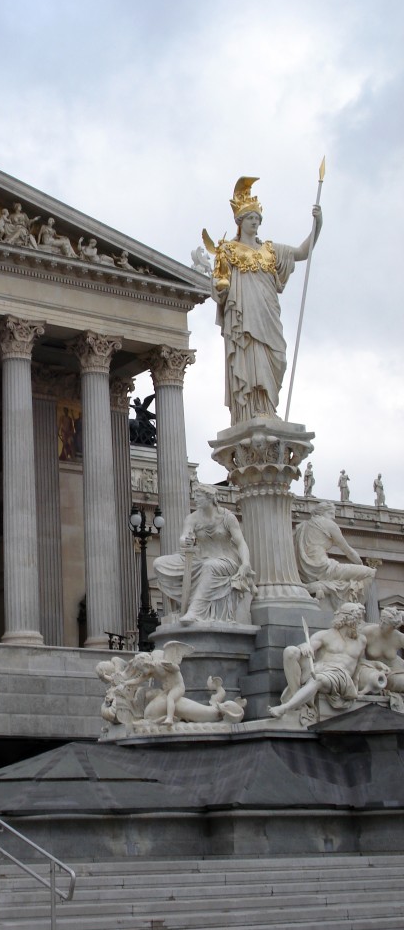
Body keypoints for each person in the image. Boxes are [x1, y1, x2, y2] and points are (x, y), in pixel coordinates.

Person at [207, 177, 322, 424]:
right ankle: (251, 409)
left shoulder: (270, 250)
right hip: (244, 314)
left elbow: (302, 252)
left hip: (268, 313)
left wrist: (317, 225)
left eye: (258, 219)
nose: (255, 222)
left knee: (277, 357)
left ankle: (268, 407)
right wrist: (221, 289)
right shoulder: (228, 250)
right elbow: (220, 284)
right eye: (251, 218)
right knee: (251, 356)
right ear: (240, 221)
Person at [153, 483, 255, 624]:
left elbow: (241, 543)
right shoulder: (192, 518)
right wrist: (186, 540)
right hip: (198, 558)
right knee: (159, 564)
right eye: (195, 496)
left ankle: (195, 612)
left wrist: (245, 563)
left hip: (225, 561)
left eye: (199, 496)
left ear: (210, 498)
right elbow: (184, 537)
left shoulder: (227, 517)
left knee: (209, 566)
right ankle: (185, 604)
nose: (195, 499)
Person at [269, 603, 366, 717]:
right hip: (321, 668)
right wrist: (304, 646)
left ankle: (285, 708)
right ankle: (298, 702)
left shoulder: (361, 641)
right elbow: (309, 646)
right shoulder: (325, 635)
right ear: (347, 619)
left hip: (341, 677)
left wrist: (357, 687)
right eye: (358, 619)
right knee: (290, 651)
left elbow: (359, 665)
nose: (360, 623)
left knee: (317, 679)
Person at [293, 501, 375, 609]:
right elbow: (348, 550)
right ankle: (355, 609)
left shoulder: (301, 526)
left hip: (304, 572)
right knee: (369, 573)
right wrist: (360, 564)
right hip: (324, 569)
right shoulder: (329, 524)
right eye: (331, 513)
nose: (334, 517)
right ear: (322, 512)